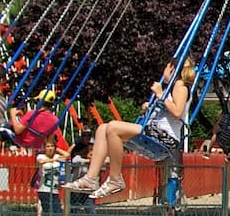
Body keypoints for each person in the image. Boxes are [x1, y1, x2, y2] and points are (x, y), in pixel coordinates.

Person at [62, 59, 196, 199]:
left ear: (172, 69)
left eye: (165, 67)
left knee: (113, 127)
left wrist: (160, 95)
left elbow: (177, 112)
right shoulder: (172, 88)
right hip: (154, 132)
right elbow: (166, 111)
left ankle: (115, 179)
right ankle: (91, 177)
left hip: (165, 138)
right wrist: (150, 107)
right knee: (102, 129)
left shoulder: (180, 85)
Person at [63, 138, 96, 216]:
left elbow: (107, 160)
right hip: (76, 190)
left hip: (88, 191)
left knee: (91, 214)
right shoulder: (78, 158)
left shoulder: (96, 159)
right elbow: (75, 161)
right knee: (75, 215)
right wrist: (89, 161)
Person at [35, 143, 65, 216]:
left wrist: (58, 149)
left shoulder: (57, 156)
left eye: (52, 146)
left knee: (59, 215)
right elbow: (41, 162)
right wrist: (54, 160)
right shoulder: (41, 156)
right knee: (47, 214)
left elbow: (66, 155)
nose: (50, 148)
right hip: (44, 189)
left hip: (55, 190)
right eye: (47, 146)